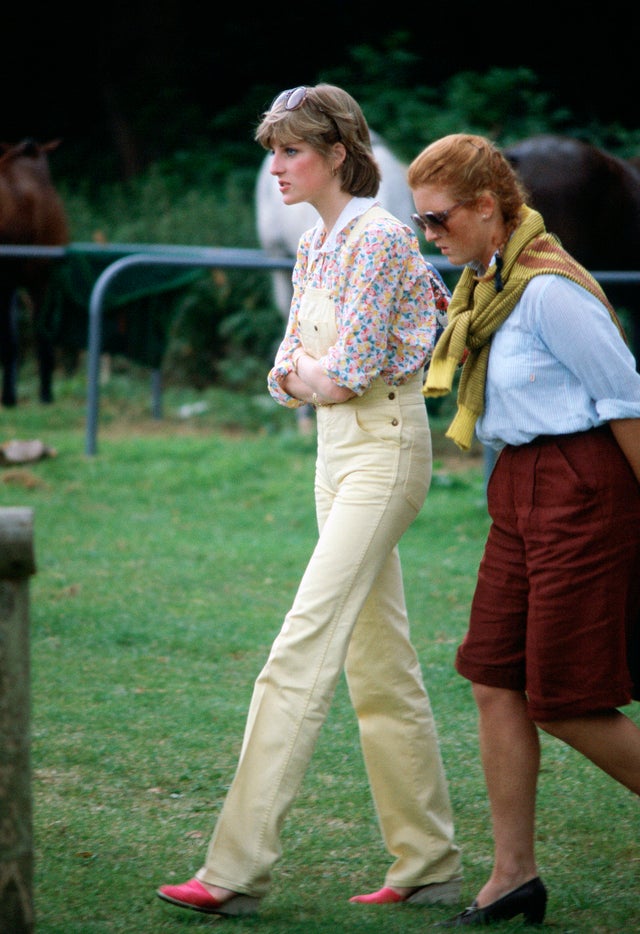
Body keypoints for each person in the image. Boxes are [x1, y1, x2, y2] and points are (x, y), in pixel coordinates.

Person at [156, 84, 462, 918]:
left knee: (300, 650)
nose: (277, 168)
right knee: (378, 662)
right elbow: (285, 367)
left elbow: (341, 372)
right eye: (273, 151)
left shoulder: (378, 237)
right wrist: (301, 377)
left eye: (291, 150)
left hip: (385, 451)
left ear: (335, 153)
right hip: (335, 455)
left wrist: (303, 377)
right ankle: (429, 859)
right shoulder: (318, 242)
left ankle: (234, 869)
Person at [406, 132, 640, 927]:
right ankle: (513, 877)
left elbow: (627, 402)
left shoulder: (548, 291)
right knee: (493, 675)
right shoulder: (487, 286)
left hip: (582, 488)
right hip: (519, 492)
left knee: (567, 699)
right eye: (421, 224)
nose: (430, 236)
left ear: (486, 207)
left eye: (438, 221)